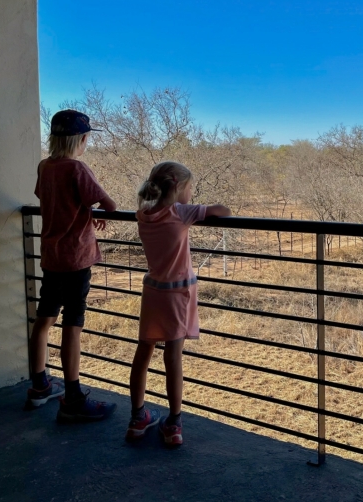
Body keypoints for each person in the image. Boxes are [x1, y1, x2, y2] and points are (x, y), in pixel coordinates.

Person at [126, 161, 231, 446]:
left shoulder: (143, 213)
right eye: (190, 187)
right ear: (179, 187)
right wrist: (202, 206)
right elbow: (224, 211)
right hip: (179, 294)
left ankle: (137, 417)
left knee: (143, 351)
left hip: (153, 291)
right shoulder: (182, 213)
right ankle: (174, 423)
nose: (191, 193)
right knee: (172, 356)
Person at [27, 109, 118, 422]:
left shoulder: (45, 167)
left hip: (51, 256)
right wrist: (98, 213)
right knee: (73, 322)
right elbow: (110, 204)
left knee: (45, 317)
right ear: (81, 139)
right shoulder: (77, 169)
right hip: (76, 257)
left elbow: (48, 198)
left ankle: (39, 385)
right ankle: (73, 397)